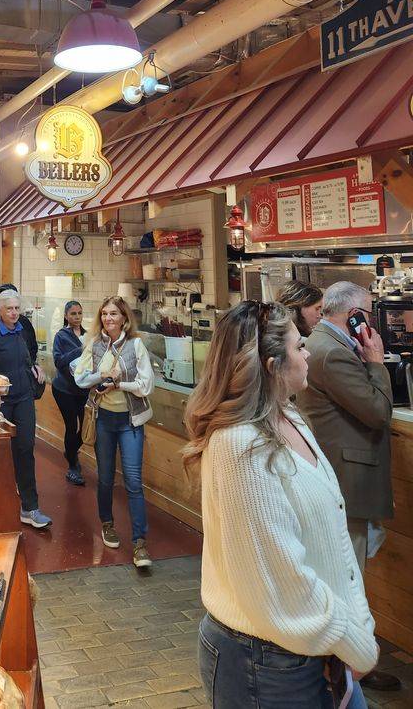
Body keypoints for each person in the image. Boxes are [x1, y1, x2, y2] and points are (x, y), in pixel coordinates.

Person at [184, 300, 377, 709]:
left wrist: (355, 628)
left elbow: (335, 544)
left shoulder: (290, 417)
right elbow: (283, 580)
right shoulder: (241, 447)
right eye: (299, 345)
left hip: (316, 647)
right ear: (272, 365)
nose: (308, 353)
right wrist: (355, 642)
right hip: (264, 665)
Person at [295, 281, 398, 693]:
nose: (370, 321)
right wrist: (376, 362)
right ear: (352, 315)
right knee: (348, 575)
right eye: (368, 313)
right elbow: (377, 412)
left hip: (339, 470)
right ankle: (351, 668)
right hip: (348, 476)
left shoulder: (322, 343)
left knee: (344, 571)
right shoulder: (333, 352)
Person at [74, 296, 154, 569]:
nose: (108, 318)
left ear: (124, 318)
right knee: (105, 477)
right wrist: (101, 376)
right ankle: (107, 524)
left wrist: (120, 384)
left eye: (114, 314)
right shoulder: (95, 344)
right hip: (104, 420)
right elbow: (80, 378)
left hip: (131, 421)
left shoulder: (136, 345)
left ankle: (140, 542)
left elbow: (145, 386)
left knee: (133, 480)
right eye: (105, 314)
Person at [0, 289, 51, 530]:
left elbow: (26, 359)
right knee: (0, 453)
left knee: (25, 449)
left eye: (17, 308)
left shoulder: (21, 330)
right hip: (2, 402)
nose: (14, 313)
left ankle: (30, 507)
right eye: (9, 308)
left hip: (23, 399)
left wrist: (35, 369)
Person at [51, 300, 88, 486]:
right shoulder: (61, 336)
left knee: (87, 426)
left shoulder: (88, 336)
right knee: (71, 426)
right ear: (66, 316)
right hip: (64, 389)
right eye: (73, 314)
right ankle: (73, 466)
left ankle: (71, 450)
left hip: (84, 390)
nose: (77, 317)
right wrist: (78, 351)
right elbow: (59, 361)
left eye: (80, 313)